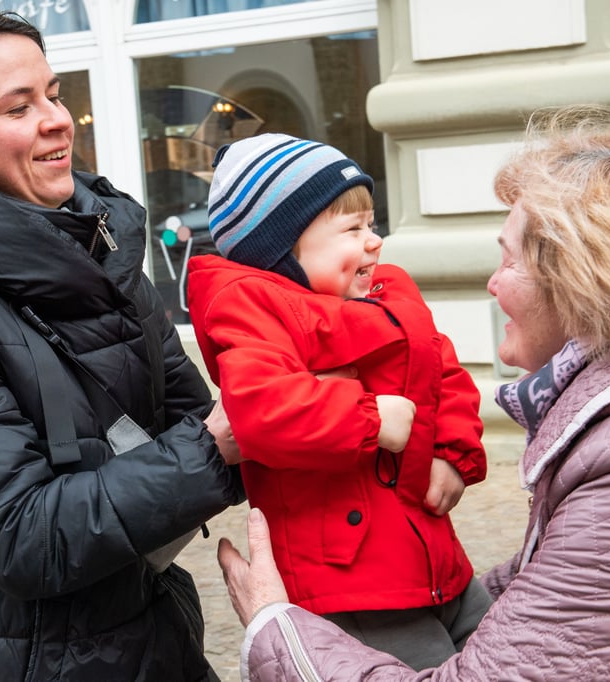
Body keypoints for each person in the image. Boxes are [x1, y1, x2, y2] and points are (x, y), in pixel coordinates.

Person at [216, 108, 610, 680]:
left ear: (588, 281)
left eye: (508, 258)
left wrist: (273, 626)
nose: (489, 280)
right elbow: (583, 596)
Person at [0, 9, 244, 681]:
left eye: (53, 93)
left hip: (149, 635)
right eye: (19, 107)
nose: (57, 119)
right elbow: (20, 538)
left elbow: (196, 419)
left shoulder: (104, 259)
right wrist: (212, 446)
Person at [186, 134, 489, 670]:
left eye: (372, 224)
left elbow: (445, 371)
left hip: (434, 555)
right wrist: (371, 419)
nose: (374, 241)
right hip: (349, 582)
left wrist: (452, 453)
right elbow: (265, 409)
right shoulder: (253, 311)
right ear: (282, 250)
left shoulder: (388, 296)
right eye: (353, 229)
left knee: (496, 653)